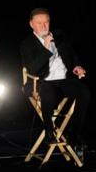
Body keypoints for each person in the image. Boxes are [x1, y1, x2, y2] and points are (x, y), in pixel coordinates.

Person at [20, 8, 90, 147]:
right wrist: (45, 48)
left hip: (64, 79)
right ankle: (49, 131)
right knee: (47, 92)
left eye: (46, 22)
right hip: (42, 81)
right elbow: (33, 70)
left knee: (85, 92)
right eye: (39, 23)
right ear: (31, 24)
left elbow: (72, 54)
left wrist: (77, 66)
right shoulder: (27, 44)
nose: (44, 26)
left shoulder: (59, 35)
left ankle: (74, 134)